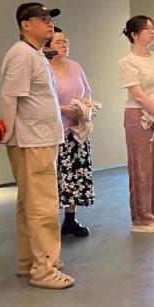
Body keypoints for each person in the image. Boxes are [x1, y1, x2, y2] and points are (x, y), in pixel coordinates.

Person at [0, 2, 74, 289]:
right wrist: (7, 131)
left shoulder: (35, 54)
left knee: (30, 203)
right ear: (25, 25)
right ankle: (44, 268)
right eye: (42, 19)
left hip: (39, 139)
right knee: (43, 206)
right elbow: (9, 96)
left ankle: (29, 260)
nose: (49, 22)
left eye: (50, 18)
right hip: (33, 141)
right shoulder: (22, 55)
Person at [119, 15, 154, 234]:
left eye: (153, 27)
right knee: (141, 167)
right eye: (146, 28)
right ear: (134, 34)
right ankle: (141, 218)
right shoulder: (127, 62)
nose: (152, 32)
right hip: (138, 116)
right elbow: (139, 96)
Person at [46, 27, 95, 238]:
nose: (64, 44)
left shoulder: (75, 66)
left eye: (65, 40)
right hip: (55, 131)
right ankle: (48, 223)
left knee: (75, 176)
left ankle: (70, 219)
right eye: (59, 42)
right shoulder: (44, 68)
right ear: (47, 47)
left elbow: (87, 92)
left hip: (77, 131)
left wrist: (85, 107)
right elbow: (44, 100)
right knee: (55, 177)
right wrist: (66, 110)